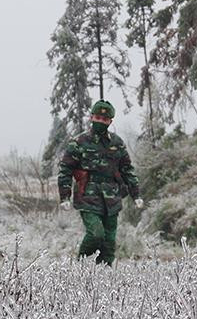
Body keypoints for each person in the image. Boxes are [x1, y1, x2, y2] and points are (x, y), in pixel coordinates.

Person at [57, 100, 143, 266]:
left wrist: (136, 194)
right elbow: (65, 170)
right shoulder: (79, 142)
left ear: (110, 121)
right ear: (91, 117)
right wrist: (64, 197)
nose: (100, 122)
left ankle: (104, 278)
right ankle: (79, 267)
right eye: (97, 118)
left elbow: (127, 169)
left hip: (112, 198)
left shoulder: (117, 143)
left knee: (109, 243)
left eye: (105, 120)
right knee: (96, 234)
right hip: (87, 196)